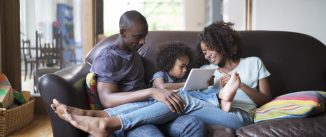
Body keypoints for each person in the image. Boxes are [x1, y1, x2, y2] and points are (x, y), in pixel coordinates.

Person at [51, 21, 272, 136]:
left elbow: (265, 100)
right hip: (212, 106)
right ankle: (95, 115)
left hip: (241, 115)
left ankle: (106, 121)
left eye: (210, 49)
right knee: (176, 97)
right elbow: (177, 87)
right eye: (204, 51)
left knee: (180, 99)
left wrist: (238, 83)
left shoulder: (254, 63)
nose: (207, 55)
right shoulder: (206, 69)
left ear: (223, 42)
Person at [51, 10, 206, 137]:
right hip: (126, 117)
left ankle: (87, 115)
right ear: (122, 32)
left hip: (149, 110)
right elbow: (107, 100)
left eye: (144, 37)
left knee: (194, 125)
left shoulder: (134, 54)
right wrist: (152, 92)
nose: (142, 42)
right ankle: (90, 117)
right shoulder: (108, 58)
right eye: (137, 37)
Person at [151, 41, 240, 112]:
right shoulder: (160, 74)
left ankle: (221, 95)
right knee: (184, 92)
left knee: (203, 91)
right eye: (182, 66)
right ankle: (219, 98)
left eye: (186, 66)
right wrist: (187, 84)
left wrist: (204, 84)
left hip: (188, 103)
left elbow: (194, 92)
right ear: (169, 64)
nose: (185, 69)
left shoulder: (184, 76)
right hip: (165, 103)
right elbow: (162, 87)